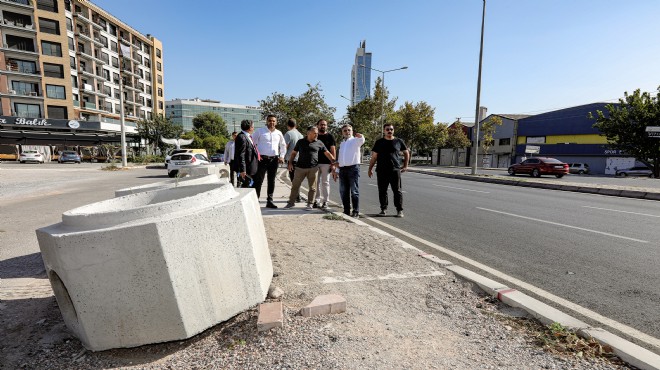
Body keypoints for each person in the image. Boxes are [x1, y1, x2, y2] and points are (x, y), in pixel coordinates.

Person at [284, 126, 335, 210]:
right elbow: (293, 153)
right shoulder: (300, 142)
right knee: (295, 186)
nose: (316, 135)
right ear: (308, 133)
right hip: (300, 168)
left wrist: (334, 161)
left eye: (317, 133)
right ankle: (291, 203)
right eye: (315, 133)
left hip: (313, 168)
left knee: (312, 188)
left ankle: (310, 204)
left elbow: (327, 153)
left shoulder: (319, 143)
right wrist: (290, 163)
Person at [368, 123, 410, 218]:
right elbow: (374, 157)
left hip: (395, 170)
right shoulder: (379, 142)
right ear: (384, 131)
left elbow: (406, 153)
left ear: (393, 130)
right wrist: (370, 168)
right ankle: (383, 209)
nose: (389, 131)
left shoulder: (399, 141)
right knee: (382, 191)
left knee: (397, 191)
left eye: (391, 129)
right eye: (387, 129)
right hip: (381, 170)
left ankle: (399, 210)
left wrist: (405, 165)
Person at [252, 115, 286, 208]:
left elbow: (283, 145)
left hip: (274, 160)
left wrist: (282, 156)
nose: (272, 123)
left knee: (271, 181)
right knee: (259, 180)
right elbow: (252, 144)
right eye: (270, 121)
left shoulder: (279, 133)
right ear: (267, 121)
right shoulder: (260, 131)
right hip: (262, 159)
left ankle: (269, 201)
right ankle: (256, 200)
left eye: (274, 121)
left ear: (276, 122)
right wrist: (256, 156)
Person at [332, 124, 365, 218]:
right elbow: (340, 158)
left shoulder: (355, 141)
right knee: (343, 191)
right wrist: (337, 170)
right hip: (342, 169)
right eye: (345, 130)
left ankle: (355, 211)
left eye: (349, 130)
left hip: (353, 169)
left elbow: (362, 140)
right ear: (342, 132)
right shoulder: (342, 144)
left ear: (352, 131)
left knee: (354, 191)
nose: (347, 132)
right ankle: (346, 210)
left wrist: (361, 136)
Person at [313, 119, 336, 210]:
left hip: (326, 163)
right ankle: (317, 200)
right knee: (316, 183)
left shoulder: (330, 137)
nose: (323, 126)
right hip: (314, 163)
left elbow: (333, 150)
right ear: (317, 125)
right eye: (321, 124)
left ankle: (325, 201)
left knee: (325, 182)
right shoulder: (315, 136)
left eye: (325, 125)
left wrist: (333, 163)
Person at [283, 118, 304, 202]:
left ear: (288, 126)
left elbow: (285, 146)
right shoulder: (300, 135)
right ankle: (298, 196)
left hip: (292, 159)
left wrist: (282, 157)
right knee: (297, 179)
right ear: (296, 125)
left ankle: (296, 197)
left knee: (293, 179)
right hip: (300, 159)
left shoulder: (288, 134)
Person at [233, 120, 259, 189]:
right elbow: (241, 154)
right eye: (253, 127)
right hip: (247, 168)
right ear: (250, 127)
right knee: (246, 187)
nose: (253, 128)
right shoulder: (242, 137)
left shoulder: (248, 136)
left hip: (251, 167)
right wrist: (243, 170)